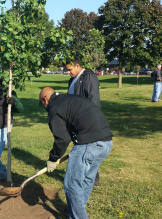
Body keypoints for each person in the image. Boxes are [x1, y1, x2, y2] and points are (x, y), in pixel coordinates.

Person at [39, 87, 113, 219]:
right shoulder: (69, 99)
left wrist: (53, 158)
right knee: (88, 178)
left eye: (41, 103)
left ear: (45, 99)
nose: (43, 106)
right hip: (106, 142)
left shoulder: (54, 108)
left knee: (72, 184)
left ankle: (78, 216)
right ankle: (77, 207)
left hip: (88, 144)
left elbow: (62, 139)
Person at [63, 56, 102, 186]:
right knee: (82, 148)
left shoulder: (89, 77)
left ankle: (93, 177)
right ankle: (89, 175)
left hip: (87, 121)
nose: (68, 72)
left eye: (69, 69)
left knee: (88, 149)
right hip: (76, 121)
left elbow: (93, 101)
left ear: (78, 66)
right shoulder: (73, 80)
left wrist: (88, 121)